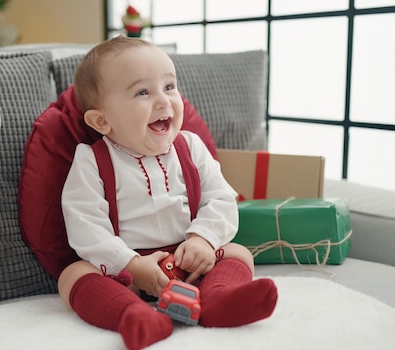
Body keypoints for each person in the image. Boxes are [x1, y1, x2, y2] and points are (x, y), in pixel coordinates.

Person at [59, 35, 278, 350]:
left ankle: (218, 301)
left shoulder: (190, 146)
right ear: (102, 121)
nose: (164, 101)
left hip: (191, 261)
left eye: (170, 87)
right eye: (143, 92)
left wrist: (203, 239)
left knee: (237, 253)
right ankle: (132, 315)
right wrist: (130, 265)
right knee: (72, 275)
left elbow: (221, 198)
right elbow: (85, 225)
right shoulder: (91, 159)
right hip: (127, 273)